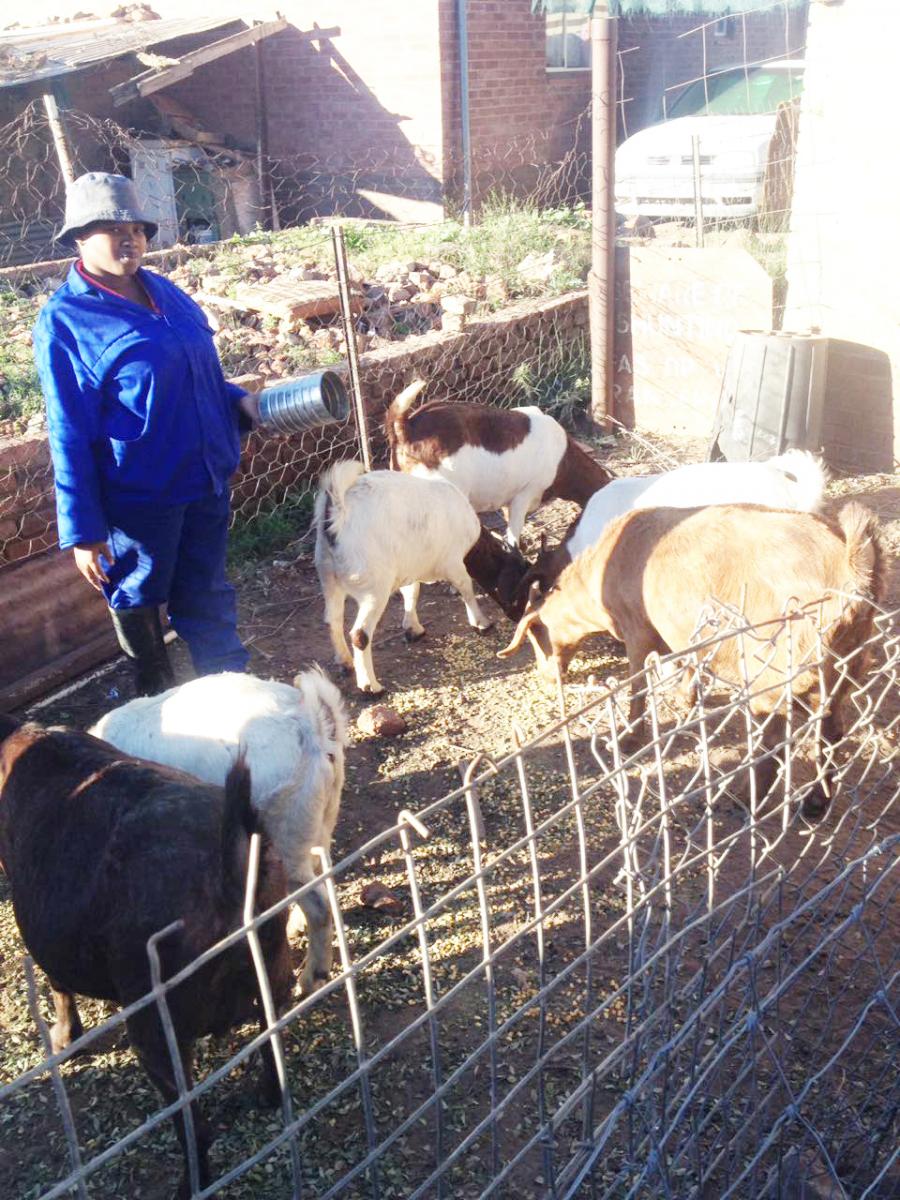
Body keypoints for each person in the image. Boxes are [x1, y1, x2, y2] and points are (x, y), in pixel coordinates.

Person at [32, 171, 259, 696]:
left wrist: (234, 400)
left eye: (135, 226)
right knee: (138, 594)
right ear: (79, 239)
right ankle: (157, 702)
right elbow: (67, 431)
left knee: (206, 594)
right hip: (140, 499)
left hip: (205, 481)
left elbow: (192, 373)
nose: (129, 238)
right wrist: (84, 530)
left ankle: (232, 699)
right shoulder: (66, 322)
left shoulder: (164, 292)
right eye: (111, 228)